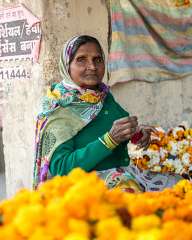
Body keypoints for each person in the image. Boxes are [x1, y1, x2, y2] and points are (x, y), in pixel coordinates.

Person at [33, 35, 181, 191]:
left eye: (97, 59)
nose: (92, 66)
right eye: (81, 59)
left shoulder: (102, 96)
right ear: (66, 65)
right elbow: (61, 168)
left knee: (181, 186)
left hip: (120, 174)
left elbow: (109, 131)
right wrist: (110, 139)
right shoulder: (58, 107)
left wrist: (135, 134)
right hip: (85, 187)